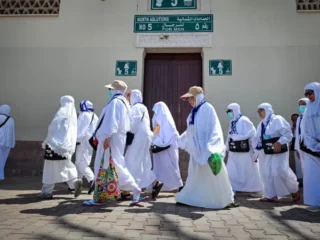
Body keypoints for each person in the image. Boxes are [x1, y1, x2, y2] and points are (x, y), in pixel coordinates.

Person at [176, 87, 237, 209]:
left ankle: (223, 200)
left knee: (215, 176)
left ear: (198, 97)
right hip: (197, 150)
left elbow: (215, 129)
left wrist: (213, 147)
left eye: (191, 98)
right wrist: (179, 140)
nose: (190, 101)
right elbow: (190, 131)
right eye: (188, 99)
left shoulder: (208, 109)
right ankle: (190, 197)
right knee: (195, 175)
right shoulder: (194, 112)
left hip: (208, 150)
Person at [91, 80, 146, 206]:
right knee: (116, 165)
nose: (109, 92)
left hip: (112, 138)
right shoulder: (123, 102)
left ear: (115, 90)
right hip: (117, 138)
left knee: (110, 165)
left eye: (110, 89)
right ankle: (105, 194)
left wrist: (108, 138)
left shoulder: (116, 102)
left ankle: (101, 195)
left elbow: (113, 121)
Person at [254, 103, 300, 203]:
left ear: (268, 110)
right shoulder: (261, 124)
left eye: (261, 110)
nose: (260, 113)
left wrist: (280, 141)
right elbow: (258, 139)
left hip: (278, 151)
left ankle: (294, 189)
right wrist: (256, 153)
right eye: (258, 111)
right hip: (266, 152)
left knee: (280, 171)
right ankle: (270, 195)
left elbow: (288, 134)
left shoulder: (277, 119)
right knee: (266, 173)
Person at [39, 96, 82, 199]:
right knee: (65, 166)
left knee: (50, 169)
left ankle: (47, 192)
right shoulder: (73, 116)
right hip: (66, 148)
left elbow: (53, 127)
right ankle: (75, 183)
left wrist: (47, 140)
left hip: (54, 146)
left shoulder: (61, 112)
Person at [124, 90, 163, 199]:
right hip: (145, 138)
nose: (128, 98)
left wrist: (129, 134)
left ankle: (127, 190)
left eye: (129, 96)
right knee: (144, 162)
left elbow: (134, 122)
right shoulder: (143, 107)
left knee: (131, 161)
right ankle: (155, 182)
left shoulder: (136, 107)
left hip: (137, 138)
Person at [225, 103, 263, 198]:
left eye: (230, 111)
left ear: (235, 110)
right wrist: (227, 146)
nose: (229, 113)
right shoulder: (232, 121)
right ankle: (232, 188)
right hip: (234, 150)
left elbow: (252, 133)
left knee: (249, 170)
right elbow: (230, 135)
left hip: (245, 151)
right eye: (227, 111)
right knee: (232, 169)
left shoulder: (244, 120)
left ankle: (256, 189)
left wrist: (255, 149)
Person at [151, 102, 183, 192]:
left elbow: (173, 135)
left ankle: (180, 186)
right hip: (161, 148)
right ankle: (157, 185)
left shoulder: (168, 122)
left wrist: (161, 142)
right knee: (159, 167)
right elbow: (155, 133)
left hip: (169, 149)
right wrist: (156, 142)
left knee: (172, 167)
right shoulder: (158, 121)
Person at [300, 82, 320, 212]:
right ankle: (315, 202)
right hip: (312, 149)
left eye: (310, 93)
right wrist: (312, 144)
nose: (309, 96)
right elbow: (305, 129)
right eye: (306, 94)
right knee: (313, 176)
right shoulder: (308, 110)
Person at [75, 100, 98, 194]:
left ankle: (92, 180)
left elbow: (80, 129)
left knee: (80, 162)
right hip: (90, 141)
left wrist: (76, 139)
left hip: (83, 141)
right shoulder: (95, 116)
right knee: (82, 162)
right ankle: (77, 185)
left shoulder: (84, 115)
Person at [294, 98, 309, 176]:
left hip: (311, 146)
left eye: (303, 104)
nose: (301, 106)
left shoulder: (312, 116)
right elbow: (297, 134)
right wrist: (297, 148)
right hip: (302, 145)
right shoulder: (299, 118)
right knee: (304, 168)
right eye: (299, 105)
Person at [0, 105, 15, 181]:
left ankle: (0, 176)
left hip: (0, 141)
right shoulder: (11, 119)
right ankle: (1, 176)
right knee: (3, 160)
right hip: (8, 143)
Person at [290, 113, 303, 187]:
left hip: (303, 147)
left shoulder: (302, 126)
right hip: (295, 147)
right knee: (297, 164)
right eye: (292, 119)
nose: (293, 121)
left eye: (295, 119)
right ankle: (299, 179)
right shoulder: (291, 126)